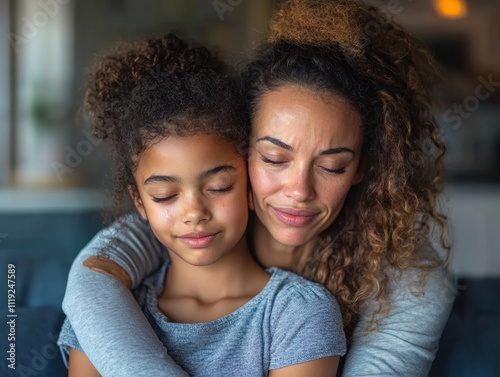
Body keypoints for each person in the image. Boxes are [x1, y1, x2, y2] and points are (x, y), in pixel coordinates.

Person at [61, 1, 455, 376]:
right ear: (241, 149)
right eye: (274, 159)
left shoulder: (411, 284)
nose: (299, 190)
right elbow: (91, 281)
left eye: (332, 165)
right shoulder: (192, 225)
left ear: (361, 168)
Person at [57, 32, 346, 377]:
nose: (194, 212)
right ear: (139, 202)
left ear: (251, 182)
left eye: (219, 186)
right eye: (165, 196)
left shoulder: (298, 314)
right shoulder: (110, 314)